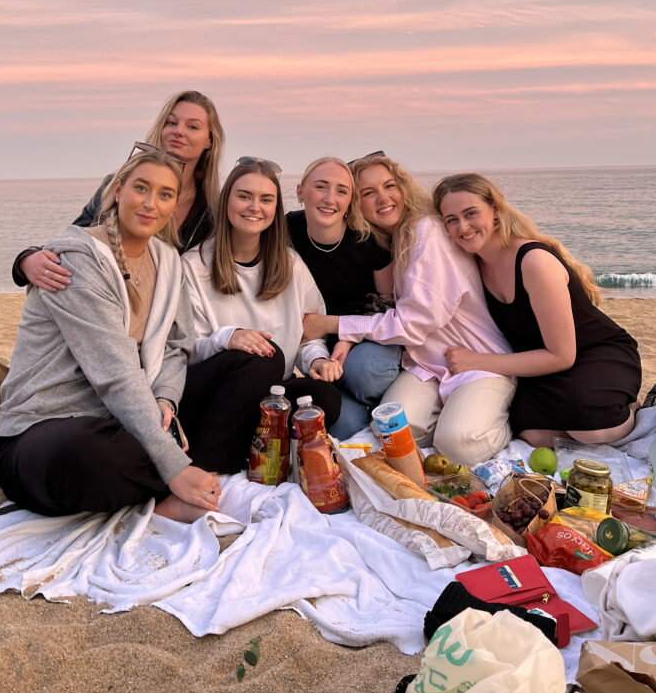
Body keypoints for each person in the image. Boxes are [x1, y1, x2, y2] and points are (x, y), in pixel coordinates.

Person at [0, 147, 222, 524]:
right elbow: (115, 374)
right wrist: (172, 463)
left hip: (125, 415)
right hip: (46, 428)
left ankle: (168, 469)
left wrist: (166, 401)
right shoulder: (76, 260)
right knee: (97, 454)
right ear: (118, 190)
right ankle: (174, 481)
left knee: (242, 369)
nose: (150, 204)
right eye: (141, 189)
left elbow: (175, 347)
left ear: (172, 206)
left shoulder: (169, 264)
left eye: (165, 195)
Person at [303, 156, 515, 466]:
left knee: (458, 444)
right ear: (355, 205)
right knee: (389, 429)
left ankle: (498, 422)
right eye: (368, 192)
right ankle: (456, 416)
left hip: (478, 360)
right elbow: (386, 303)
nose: (384, 198)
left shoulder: (425, 230)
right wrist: (346, 337)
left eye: (390, 186)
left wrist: (331, 325)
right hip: (427, 366)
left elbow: (413, 323)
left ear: (404, 188)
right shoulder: (392, 240)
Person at [433, 173, 641, 447]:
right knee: (530, 432)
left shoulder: (533, 262)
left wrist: (476, 361)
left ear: (495, 211)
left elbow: (563, 355)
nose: (463, 226)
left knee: (592, 429)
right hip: (540, 365)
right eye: (452, 219)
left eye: (471, 213)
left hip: (593, 352)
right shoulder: (471, 265)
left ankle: (635, 408)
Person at [183, 158, 342, 436]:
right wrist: (228, 338)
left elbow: (309, 332)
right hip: (216, 389)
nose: (255, 207)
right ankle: (216, 452)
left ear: (275, 208)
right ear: (226, 201)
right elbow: (184, 349)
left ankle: (259, 444)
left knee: (325, 398)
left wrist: (317, 360)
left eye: (266, 199)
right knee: (264, 359)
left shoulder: (289, 263)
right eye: (244, 196)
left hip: (273, 392)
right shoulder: (193, 266)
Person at [12, 90, 224, 291]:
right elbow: (76, 238)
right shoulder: (118, 184)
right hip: (109, 296)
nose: (178, 131)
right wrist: (27, 259)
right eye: (171, 122)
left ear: (209, 140)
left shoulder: (213, 209)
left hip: (167, 313)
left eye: (193, 127)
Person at [286, 156, 401, 438]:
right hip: (317, 349)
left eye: (341, 191)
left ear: (350, 201)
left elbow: (386, 306)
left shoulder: (369, 241)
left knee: (366, 373)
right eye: (321, 187)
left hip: (366, 341)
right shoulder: (286, 231)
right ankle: (351, 402)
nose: (329, 199)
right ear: (300, 191)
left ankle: (376, 396)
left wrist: (349, 339)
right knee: (342, 426)